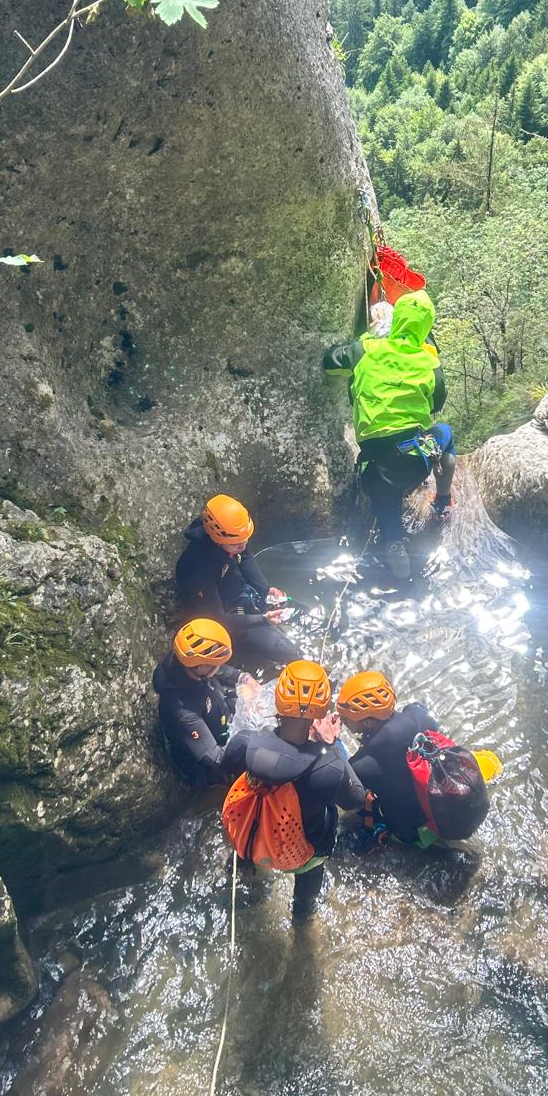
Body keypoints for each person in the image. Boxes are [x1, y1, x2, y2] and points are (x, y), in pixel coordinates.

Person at [322, 289, 456, 580]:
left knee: (387, 506)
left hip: (374, 469)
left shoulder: (365, 350)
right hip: (415, 458)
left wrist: (361, 345)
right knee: (446, 432)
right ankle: (443, 500)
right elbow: (437, 403)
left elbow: (330, 363)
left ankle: (394, 546)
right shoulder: (428, 361)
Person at [221, 660, 363, 921]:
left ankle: (244, 878)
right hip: (302, 853)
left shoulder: (246, 743)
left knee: (249, 835)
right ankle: (302, 917)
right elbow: (355, 800)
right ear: (321, 710)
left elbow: (225, 767)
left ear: (278, 701)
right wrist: (333, 744)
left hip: (248, 836)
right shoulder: (328, 767)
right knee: (309, 879)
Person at [175, 494, 298, 669]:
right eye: (237, 543)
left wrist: (266, 589)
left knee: (298, 611)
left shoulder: (230, 537)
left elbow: (246, 558)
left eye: (244, 540)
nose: (243, 545)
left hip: (242, 594)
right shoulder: (198, 569)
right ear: (217, 539)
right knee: (287, 651)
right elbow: (217, 619)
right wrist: (263, 620)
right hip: (226, 615)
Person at [336, 670, 440, 846]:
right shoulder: (417, 713)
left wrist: (330, 745)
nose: (341, 720)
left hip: (419, 832)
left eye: (346, 718)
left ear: (367, 722)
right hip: (444, 805)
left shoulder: (365, 764)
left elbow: (347, 800)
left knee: (349, 821)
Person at [153, 618, 241, 788]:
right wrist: (248, 744)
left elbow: (219, 669)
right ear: (202, 667)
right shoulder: (181, 712)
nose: (220, 666)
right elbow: (217, 763)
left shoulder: (184, 660)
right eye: (216, 664)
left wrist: (242, 678)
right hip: (204, 763)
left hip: (211, 708)